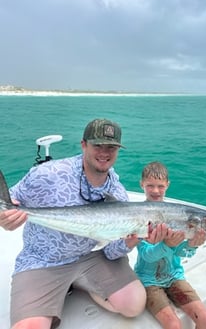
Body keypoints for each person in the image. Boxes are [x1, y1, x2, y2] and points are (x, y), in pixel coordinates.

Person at [0, 119, 168, 329]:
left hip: (92, 255)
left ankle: (80, 285)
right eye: (98, 145)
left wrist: (131, 241)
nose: (104, 152)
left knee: (133, 305)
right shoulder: (49, 174)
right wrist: (6, 219)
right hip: (45, 259)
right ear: (83, 145)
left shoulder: (117, 192)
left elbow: (111, 251)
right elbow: (11, 201)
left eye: (111, 147)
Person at [134, 161, 206, 329]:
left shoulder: (178, 215)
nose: (155, 191)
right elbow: (146, 255)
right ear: (142, 185)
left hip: (174, 276)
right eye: (150, 185)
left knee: (205, 318)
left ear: (168, 185)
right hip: (148, 281)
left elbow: (182, 253)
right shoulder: (137, 215)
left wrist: (192, 245)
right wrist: (167, 245)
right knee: (173, 325)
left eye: (160, 186)